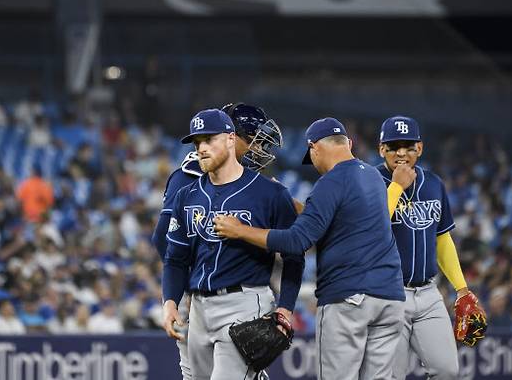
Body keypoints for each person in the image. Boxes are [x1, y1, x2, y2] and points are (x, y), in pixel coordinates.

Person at [214, 117, 406, 380]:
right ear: (347, 143)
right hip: (390, 299)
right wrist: (292, 204)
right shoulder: (372, 175)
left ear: (314, 147)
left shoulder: (330, 182)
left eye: (311, 156)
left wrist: (240, 230)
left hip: (350, 298)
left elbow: (297, 241)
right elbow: (343, 221)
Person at [161, 109, 304, 380]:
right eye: (197, 142)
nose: (202, 148)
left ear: (230, 138)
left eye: (209, 140)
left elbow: (294, 256)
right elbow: (175, 259)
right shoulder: (186, 195)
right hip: (199, 308)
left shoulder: (271, 193)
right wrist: (169, 302)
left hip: (246, 303)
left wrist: (285, 307)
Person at [375, 115, 484, 380]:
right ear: (382, 150)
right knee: (391, 376)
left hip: (427, 293)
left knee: (447, 370)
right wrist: (397, 186)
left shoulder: (434, 184)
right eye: (394, 145)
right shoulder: (371, 181)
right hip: (389, 294)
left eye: (409, 145)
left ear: (420, 149)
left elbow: (442, 239)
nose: (401, 152)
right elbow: (375, 227)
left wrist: (462, 289)